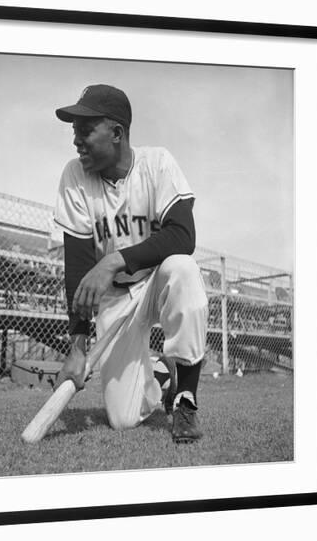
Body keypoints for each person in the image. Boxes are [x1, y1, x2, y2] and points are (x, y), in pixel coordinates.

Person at [53, 84, 208, 443]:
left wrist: (112, 261)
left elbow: (183, 235)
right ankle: (161, 376)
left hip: (157, 282)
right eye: (74, 130)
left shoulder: (158, 163)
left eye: (85, 130)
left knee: (183, 269)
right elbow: (76, 265)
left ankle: (186, 399)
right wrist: (77, 346)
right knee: (123, 419)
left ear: (117, 133)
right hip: (117, 299)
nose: (76, 140)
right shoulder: (74, 176)